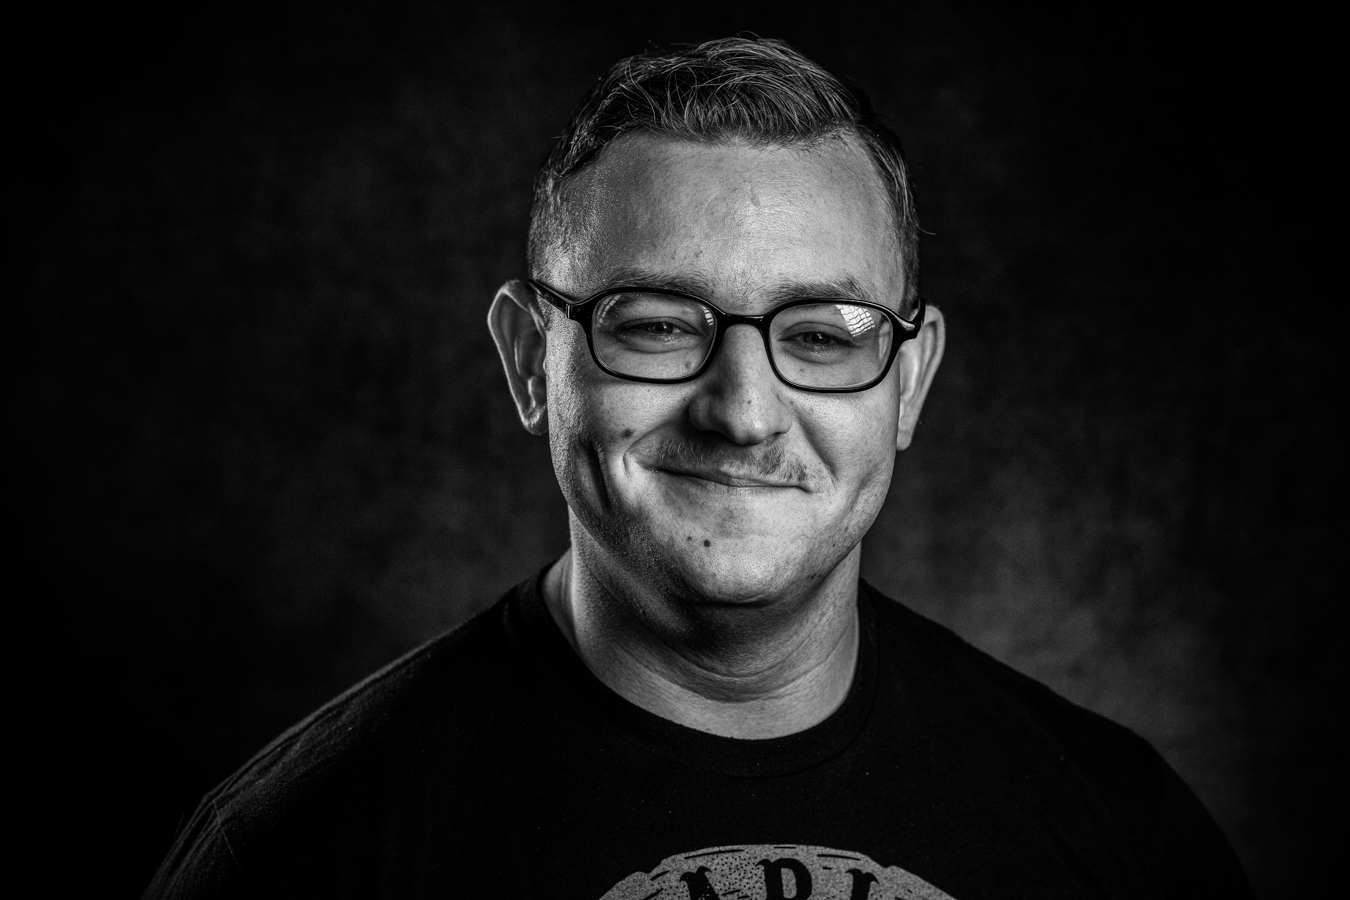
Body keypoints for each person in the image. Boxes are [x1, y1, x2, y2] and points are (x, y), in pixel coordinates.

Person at [144, 37, 1252, 899]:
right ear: (531, 361)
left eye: (821, 334)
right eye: (660, 324)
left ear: (909, 383)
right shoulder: (300, 854)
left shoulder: (1123, 832)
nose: (743, 411)